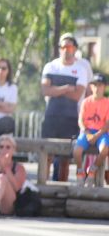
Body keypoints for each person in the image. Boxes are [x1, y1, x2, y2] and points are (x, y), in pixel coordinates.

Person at [41, 32, 91, 181]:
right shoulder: (50, 66)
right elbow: (45, 90)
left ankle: (60, 188)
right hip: (51, 116)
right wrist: (67, 88)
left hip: (70, 117)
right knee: (47, 153)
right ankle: (43, 183)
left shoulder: (81, 69)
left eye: (68, 46)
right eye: (62, 46)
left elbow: (77, 96)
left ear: (74, 48)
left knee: (64, 157)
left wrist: (55, 90)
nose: (65, 49)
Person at [73, 74, 109, 186]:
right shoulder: (86, 102)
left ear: (105, 87)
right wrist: (87, 133)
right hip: (87, 131)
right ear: (91, 87)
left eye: (100, 85)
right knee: (77, 151)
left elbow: (107, 124)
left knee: (104, 150)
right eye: (95, 85)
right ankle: (80, 172)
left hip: (101, 133)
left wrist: (96, 136)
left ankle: (92, 170)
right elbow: (81, 121)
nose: (97, 88)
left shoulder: (107, 103)